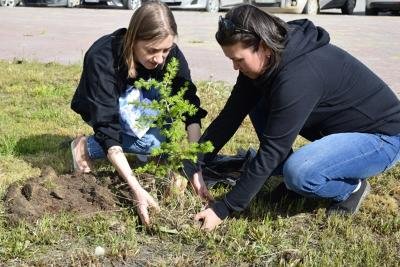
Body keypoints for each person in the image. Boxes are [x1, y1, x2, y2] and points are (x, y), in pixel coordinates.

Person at [192, 4, 400, 231]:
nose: (234, 67)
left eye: (239, 59)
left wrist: (224, 208)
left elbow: (273, 150)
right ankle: (293, 186)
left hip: (383, 138)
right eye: (231, 59)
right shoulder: (267, 59)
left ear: (262, 46)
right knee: (257, 100)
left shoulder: (299, 76)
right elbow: (229, 117)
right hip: (342, 131)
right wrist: (194, 162)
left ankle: (350, 189)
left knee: (300, 173)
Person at [70, 1, 211, 226]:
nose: (160, 59)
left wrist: (196, 169)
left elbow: (189, 107)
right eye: (152, 50)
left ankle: (154, 151)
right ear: (133, 39)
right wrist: (136, 188)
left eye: (165, 50)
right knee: (151, 144)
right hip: (108, 106)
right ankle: (87, 146)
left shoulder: (169, 54)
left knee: (158, 137)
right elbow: (107, 123)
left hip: (143, 101)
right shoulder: (103, 57)